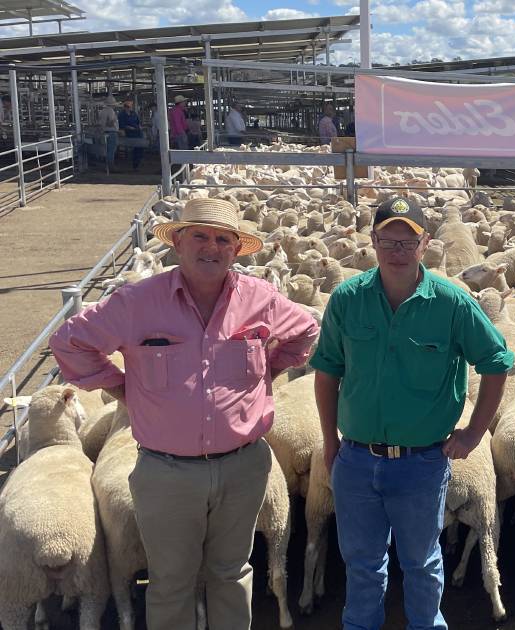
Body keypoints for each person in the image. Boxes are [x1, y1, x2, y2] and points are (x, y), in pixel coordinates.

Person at [49, 198, 320, 630]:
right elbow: (69, 342)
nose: (211, 247)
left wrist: (269, 371)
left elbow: (306, 330)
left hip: (243, 466)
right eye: (199, 235)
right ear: (178, 241)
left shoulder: (259, 298)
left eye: (222, 239)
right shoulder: (137, 302)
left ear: (236, 249)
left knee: (232, 574)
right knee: (171, 582)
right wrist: (122, 388)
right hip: (166, 472)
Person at [309, 198, 514, 630]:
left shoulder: (451, 303)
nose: (396, 249)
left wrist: (476, 433)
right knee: (362, 564)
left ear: (425, 243)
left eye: (407, 240)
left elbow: (496, 362)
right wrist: (330, 444)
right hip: (358, 459)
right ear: (373, 241)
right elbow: (326, 372)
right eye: (388, 239)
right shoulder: (347, 298)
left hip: (421, 462)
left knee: (421, 563)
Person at [118, 99, 144, 170]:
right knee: (135, 148)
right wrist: (129, 128)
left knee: (140, 147)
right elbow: (122, 125)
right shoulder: (121, 115)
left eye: (130, 106)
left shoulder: (134, 113)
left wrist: (139, 127)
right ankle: (134, 164)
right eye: (128, 107)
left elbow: (138, 122)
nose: (129, 108)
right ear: (125, 107)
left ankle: (137, 163)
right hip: (129, 133)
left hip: (138, 133)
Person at [98, 95, 120, 170]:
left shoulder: (102, 111)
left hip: (104, 132)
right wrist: (114, 120)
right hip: (111, 132)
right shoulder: (110, 111)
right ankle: (111, 166)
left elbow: (101, 123)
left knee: (106, 150)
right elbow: (110, 123)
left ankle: (106, 166)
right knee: (111, 150)